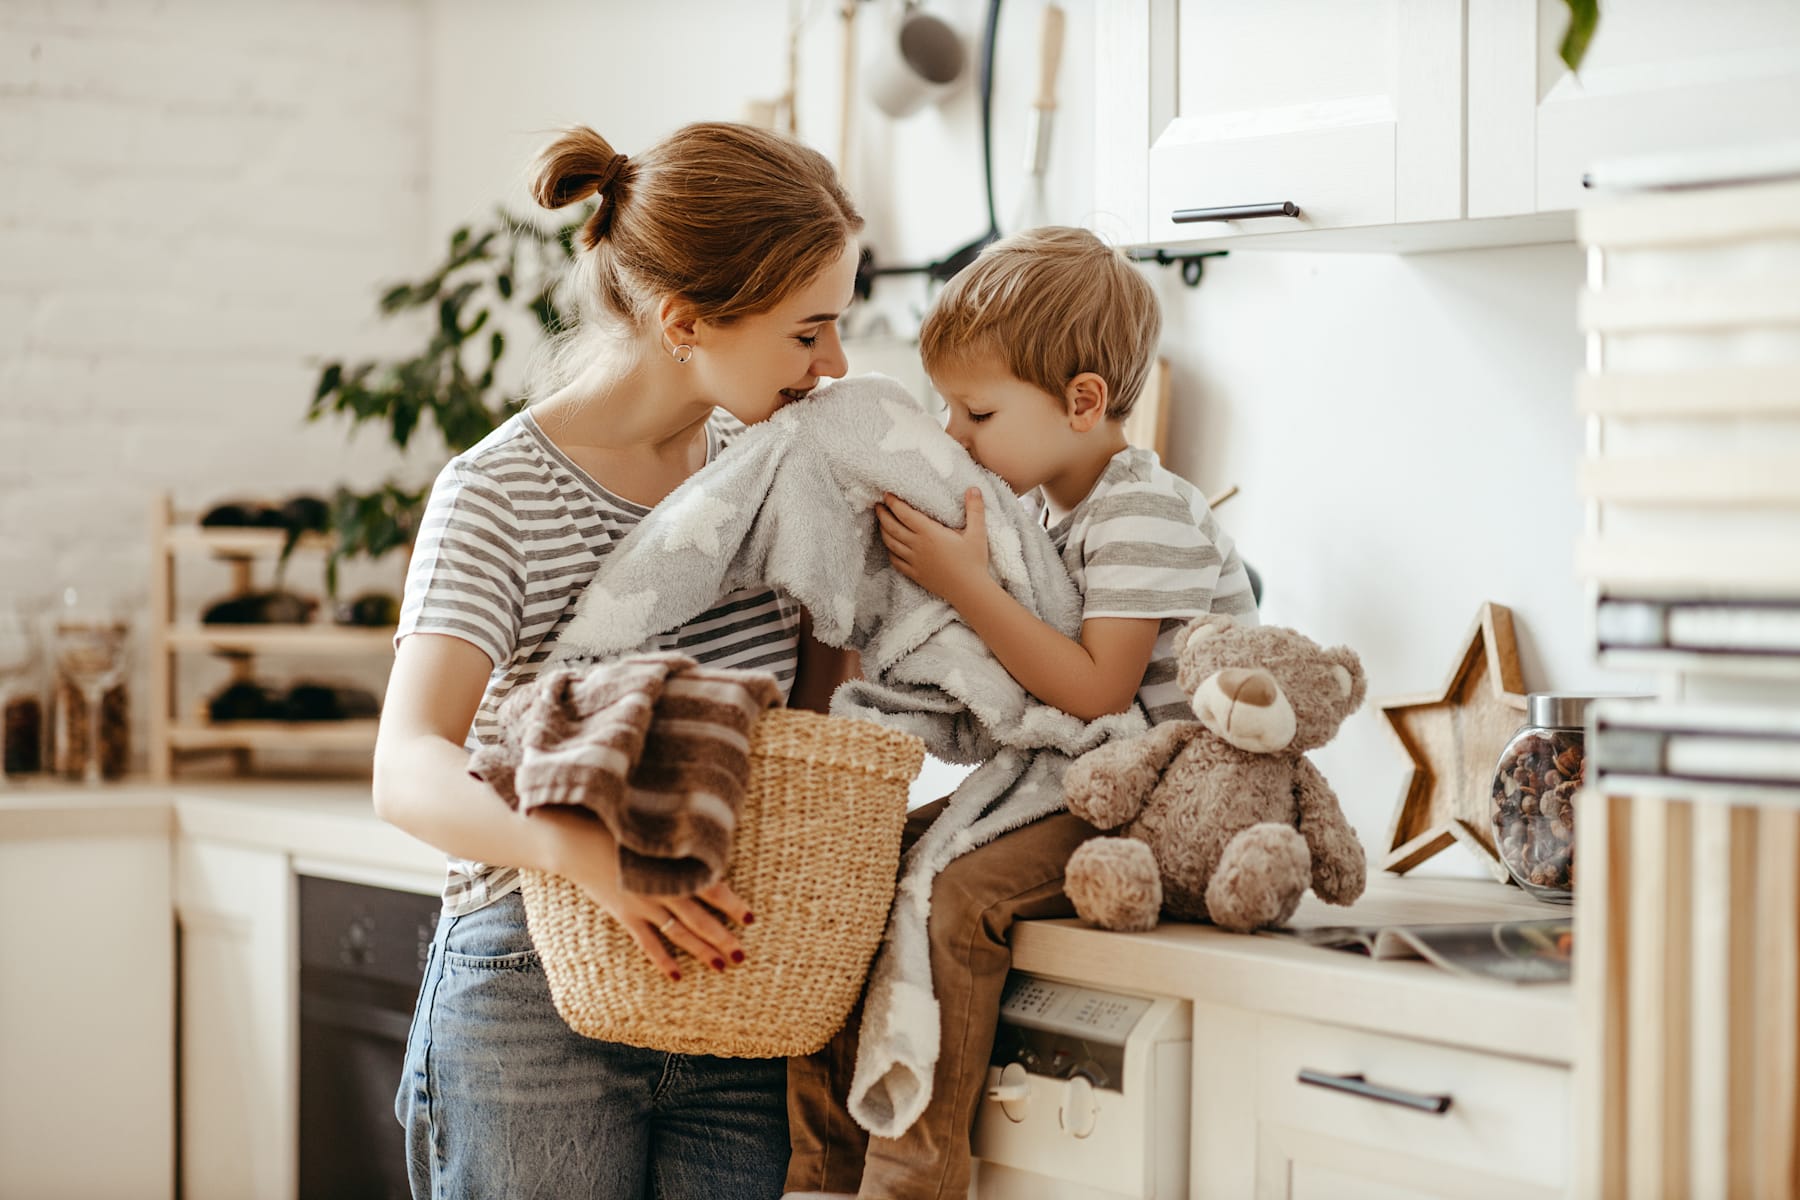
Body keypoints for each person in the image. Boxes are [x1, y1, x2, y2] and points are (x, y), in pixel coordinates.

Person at [375, 121, 863, 1200]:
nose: (834, 365)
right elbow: (406, 764)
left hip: (738, 980)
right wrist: (586, 857)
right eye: (808, 333)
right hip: (532, 986)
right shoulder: (498, 492)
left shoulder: (775, 473)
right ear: (685, 321)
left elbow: (820, 719)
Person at [783, 226, 1258, 1200]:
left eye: (978, 411)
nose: (955, 435)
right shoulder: (1045, 512)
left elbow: (1096, 691)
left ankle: (909, 1182)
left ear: (1083, 402)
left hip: (1158, 804)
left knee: (954, 900)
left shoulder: (1144, 510)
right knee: (855, 866)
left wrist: (963, 583)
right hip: (1082, 782)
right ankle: (819, 1172)